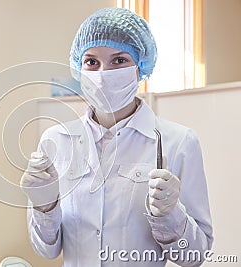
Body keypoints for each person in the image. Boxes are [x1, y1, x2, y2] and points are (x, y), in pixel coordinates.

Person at [20, 7, 213, 266]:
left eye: (119, 60)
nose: (102, 74)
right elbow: (46, 251)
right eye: (91, 62)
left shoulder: (178, 142)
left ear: (140, 67)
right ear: (78, 67)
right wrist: (44, 205)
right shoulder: (55, 140)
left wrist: (170, 214)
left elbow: (195, 257)